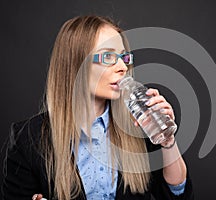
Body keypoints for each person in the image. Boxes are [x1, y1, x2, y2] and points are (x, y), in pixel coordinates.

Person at [1, 15, 193, 200]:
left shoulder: (140, 124)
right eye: (108, 56)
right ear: (76, 64)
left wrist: (168, 142)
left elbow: (178, 195)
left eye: (124, 58)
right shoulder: (26, 138)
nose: (122, 67)